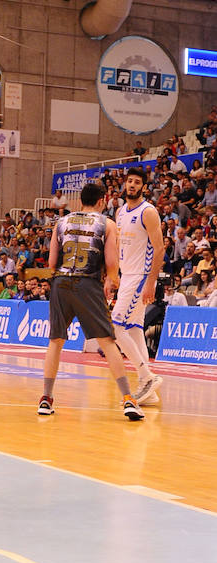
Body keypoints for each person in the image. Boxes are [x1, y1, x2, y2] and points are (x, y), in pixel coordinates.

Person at [38, 181, 144, 421]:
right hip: (87, 283)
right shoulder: (107, 224)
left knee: (55, 341)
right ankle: (128, 399)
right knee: (107, 341)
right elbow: (111, 263)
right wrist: (112, 281)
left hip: (61, 283)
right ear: (101, 201)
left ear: (81, 201)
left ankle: (46, 398)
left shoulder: (61, 223)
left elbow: (52, 262)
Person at [113, 167, 165, 405]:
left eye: (137, 182)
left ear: (144, 187)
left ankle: (146, 375)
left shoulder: (148, 212)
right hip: (126, 275)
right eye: (129, 181)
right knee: (133, 328)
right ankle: (149, 392)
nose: (132, 185)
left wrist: (151, 281)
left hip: (140, 276)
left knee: (115, 327)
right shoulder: (120, 211)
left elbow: (160, 248)